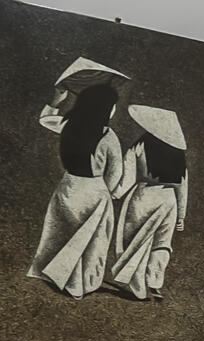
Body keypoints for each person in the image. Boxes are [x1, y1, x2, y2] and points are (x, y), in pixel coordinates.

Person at [27, 61, 130, 296]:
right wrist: (110, 193)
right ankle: (80, 284)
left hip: (67, 186)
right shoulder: (108, 136)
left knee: (65, 232)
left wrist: (57, 99)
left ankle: (54, 274)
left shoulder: (68, 126)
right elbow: (115, 173)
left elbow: (44, 119)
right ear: (106, 108)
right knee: (91, 240)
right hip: (94, 191)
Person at [109, 105, 189, 301]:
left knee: (135, 241)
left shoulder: (139, 146)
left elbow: (126, 180)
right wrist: (181, 215)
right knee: (162, 243)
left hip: (143, 196)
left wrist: (113, 195)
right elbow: (183, 186)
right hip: (168, 199)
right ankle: (155, 282)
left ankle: (137, 286)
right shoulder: (179, 156)